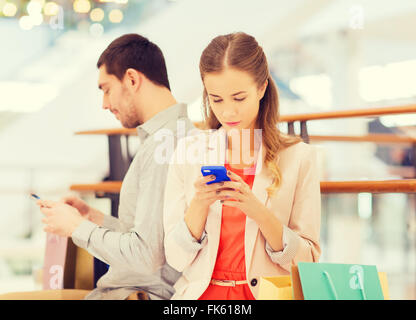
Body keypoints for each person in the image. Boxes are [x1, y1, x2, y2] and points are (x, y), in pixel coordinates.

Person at [0, 33, 194, 300]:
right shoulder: (172, 136)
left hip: (135, 294)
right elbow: (153, 240)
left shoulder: (165, 144)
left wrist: (76, 228)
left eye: (106, 89)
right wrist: (93, 218)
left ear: (132, 79)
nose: (104, 104)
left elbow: (147, 256)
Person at [163, 32, 321, 300]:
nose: (228, 113)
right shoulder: (188, 152)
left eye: (239, 98)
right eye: (216, 99)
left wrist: (258, 211)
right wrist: (199, 205)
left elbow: (308, 262)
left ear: (261, 89)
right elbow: (175, 258)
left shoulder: (299, 158)